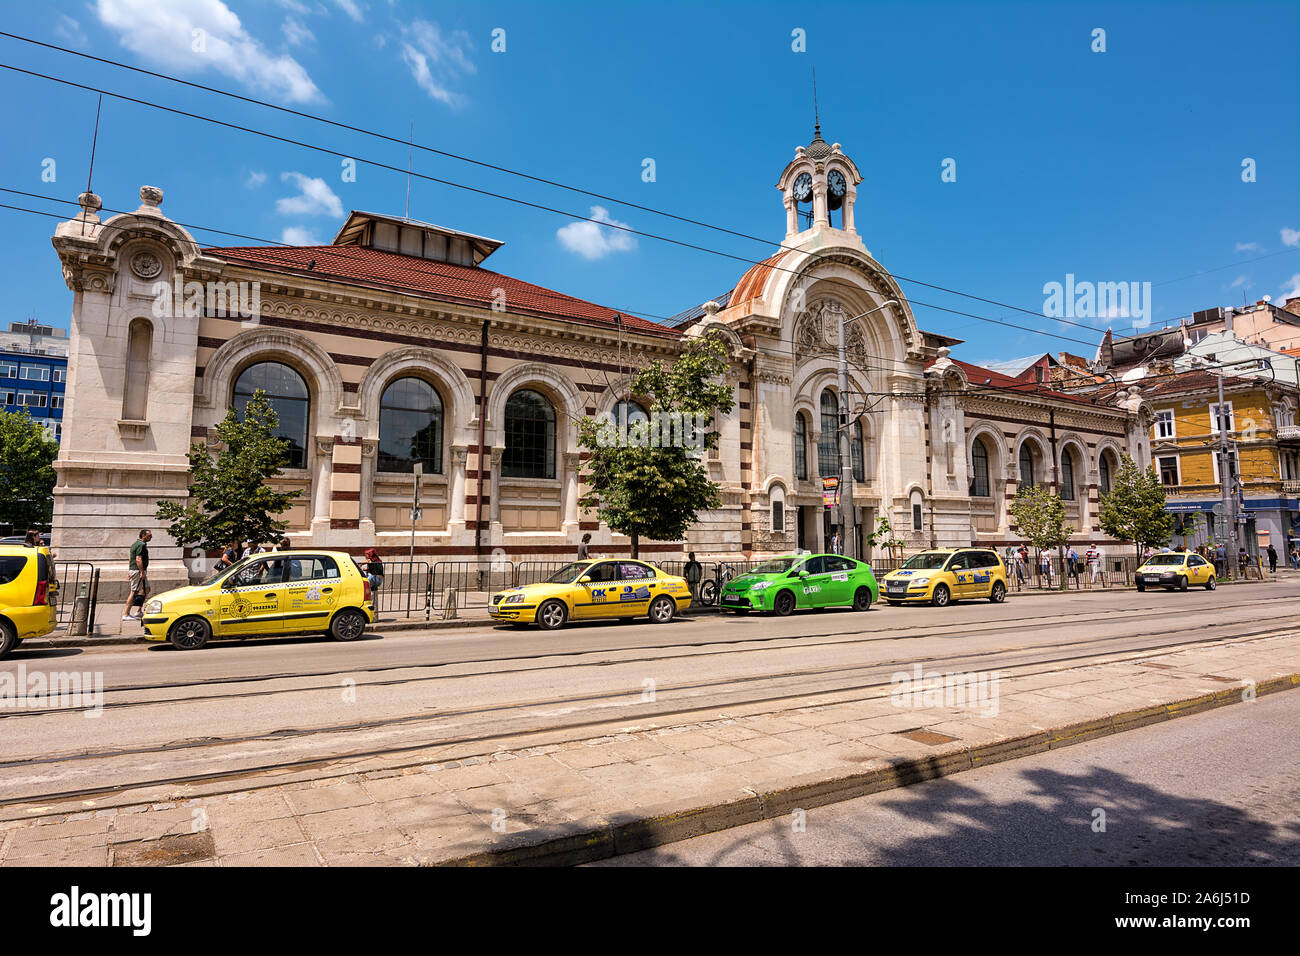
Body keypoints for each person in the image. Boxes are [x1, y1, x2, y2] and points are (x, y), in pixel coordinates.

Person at [122, 529, 151, 621]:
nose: (151, 537)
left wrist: (129, 571)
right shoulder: (140, 545)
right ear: (143, 535)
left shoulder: (136, 544)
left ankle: (138, 611)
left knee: (147, 589)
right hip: (138, 571)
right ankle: (126, 614)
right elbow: (138, 559)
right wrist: (141, 572)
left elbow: (131, 559)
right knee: (133, 591)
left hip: (135, 570)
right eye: (149, 535)